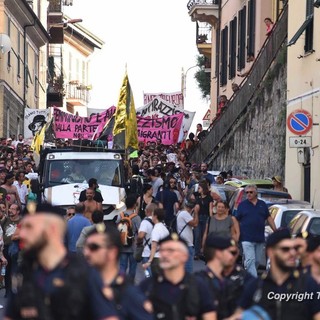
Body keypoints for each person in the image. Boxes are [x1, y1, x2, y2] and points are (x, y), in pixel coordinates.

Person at [4, 203, 119, 320]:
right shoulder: (24, 273)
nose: (22, 234)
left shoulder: (84, 274)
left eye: (29, 227)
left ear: (52, 229)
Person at [230, 229, 320, 320]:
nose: (292, 253)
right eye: (285, 249)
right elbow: (238, 315)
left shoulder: (308, 285)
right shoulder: (256, 287)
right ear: (270, 252)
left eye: (294, 249)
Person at [83, 224, 153, 320]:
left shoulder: (129, 294)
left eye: (94, 247)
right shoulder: (82, 285)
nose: (86, 252)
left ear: (112, 252)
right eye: (85, 247)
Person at [140, 233, 217, 319]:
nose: (165, 255)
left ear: (184, 256)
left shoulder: (199, 286)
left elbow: (210, 316)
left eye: (170, 251)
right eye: (162, 250)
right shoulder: (147, 286)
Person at [197, 234, 241, 320]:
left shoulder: (235, 278)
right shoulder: (199, 282)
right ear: (218, 253)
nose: (234, 256)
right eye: (232, 252)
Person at [236, 184, 276, 277]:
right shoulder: (242, 205)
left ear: (256, 193)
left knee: (257, 261)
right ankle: (254, 281)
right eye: (247, 192)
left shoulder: (262, 204)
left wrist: (276, 230)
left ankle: (248, 274)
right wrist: (237, 234)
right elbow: (236, 220)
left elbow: (269, 218)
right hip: (246, 237)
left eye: (251, 192)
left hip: (259, 238)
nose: (248, 194)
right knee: (250, 260)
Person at [117, 194, 141, 280]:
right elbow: (140, 231)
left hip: (122, 244)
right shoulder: (136, 217)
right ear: (134, 204)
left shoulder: (121, 215)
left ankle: (121, 283)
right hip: (133, 246)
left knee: (122, 266)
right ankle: (130, 284)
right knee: (133, 267)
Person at [1, 203, 22, 297]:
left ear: (18, 211)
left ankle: (15, 291)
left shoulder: (22, 221)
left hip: (16, 248)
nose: (10, 210)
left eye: (13, 209)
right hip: (5, 247)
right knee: (7, 270)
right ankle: (8, 291)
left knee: (15, 270)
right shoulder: (5, 220)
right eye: (10, 208)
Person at [142, 208, 169, 277]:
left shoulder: (156, 229)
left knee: (156, 281)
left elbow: (154, 246)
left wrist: (149, 261)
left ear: (156, 216)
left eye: (153, 215)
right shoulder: (165, 228)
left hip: (157, 258)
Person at [176, 200, 198, 273]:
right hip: (187, 245)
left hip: (182, 243)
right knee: (188, 269)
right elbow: (195, 224)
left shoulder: (180, 213)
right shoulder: (185, 213)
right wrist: (196, 212)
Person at [194, 181, 213, 260]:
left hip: (206, 217)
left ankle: (203, 252)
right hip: (198, 217)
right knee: (197, 235)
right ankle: (196, 253)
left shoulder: (209, 198)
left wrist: (211, 219)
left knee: (204, 236)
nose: (198, 189)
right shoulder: (197, 198)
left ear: (203, 189)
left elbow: (210, 209)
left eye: (199, 188)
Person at [137, 203, 157, 277]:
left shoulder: (145, 222)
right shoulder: (160, 221)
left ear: (147, 211)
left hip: (147, 252)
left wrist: (138, 241)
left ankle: (149, 286)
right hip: (157, 252)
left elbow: (141, 235)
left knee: (147, 273)